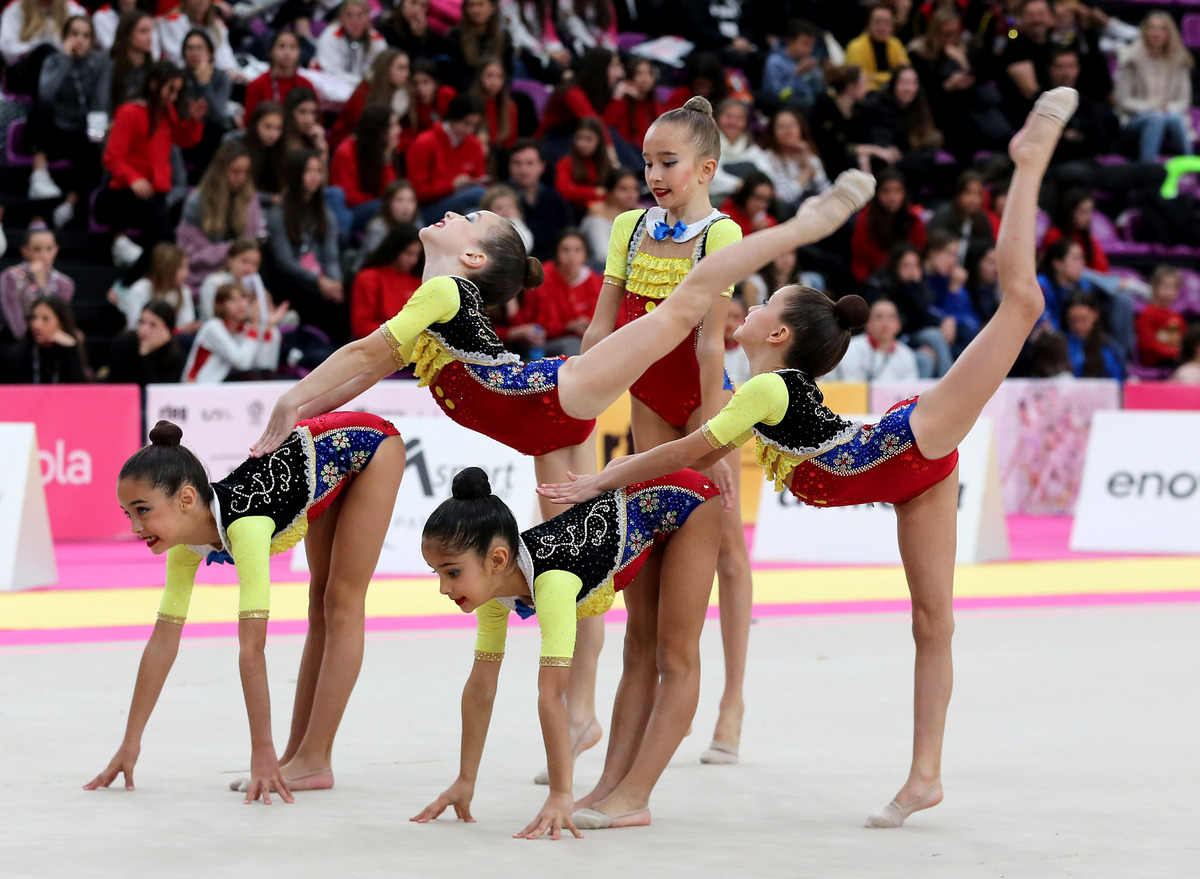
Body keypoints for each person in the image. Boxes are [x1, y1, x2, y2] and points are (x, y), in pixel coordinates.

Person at [539, 87, 1081, 829]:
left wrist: (599, 478)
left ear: (778, 335)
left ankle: (1028, 162)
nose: (747, 305)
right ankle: (924, 776)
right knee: (932, 623)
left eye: (763, 303)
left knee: (1021, 304)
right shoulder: (759, 379)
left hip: (909, 442)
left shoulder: (759, 393)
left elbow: (691, 446)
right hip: (903, 463)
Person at [84, 415, 405, 801]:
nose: (135, 527)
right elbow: (162, 644)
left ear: (186, 499)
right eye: (128, 514)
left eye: (143, 510)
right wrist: (129, 744)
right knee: (318, 601)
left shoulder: (247, 527)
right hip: (319, 459)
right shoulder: (184, 541)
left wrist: (260, 753)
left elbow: (252, 650)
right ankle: (297, 756)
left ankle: (315, 760)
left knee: (340, 602)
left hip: (366, 446)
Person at [412, 464, 721, 836]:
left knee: (674, 655)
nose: (444, 588)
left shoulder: (553, 583)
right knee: (637, 648)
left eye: (452, 572)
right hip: (638, 506)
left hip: (686, 501)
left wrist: (561, 793)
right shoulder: (496, 589)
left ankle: (636, 795)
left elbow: (552, 693)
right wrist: (465, 779)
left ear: (496, 560)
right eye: (438, 574)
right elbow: (481, 686)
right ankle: (609, 788)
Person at [100, 60, 206, 275]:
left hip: (156, 191)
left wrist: (195, 121)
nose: (174, 97)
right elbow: (112, 157)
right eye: (171, 90)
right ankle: (126, 287)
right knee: (165, 241)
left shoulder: (166, 111)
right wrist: (133, 178)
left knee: (157, 246)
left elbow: (182, 139)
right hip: (127, 192)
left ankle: (129, 288)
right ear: (154, 84)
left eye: (177, 91)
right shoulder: (129, 112)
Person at [26, 15, 109, 209]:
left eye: (86, 35)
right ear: (64, 37)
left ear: (92, 40)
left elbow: (101, 102)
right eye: (74, 34)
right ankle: (39, 174)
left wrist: (97, 138)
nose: (80, 40)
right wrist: (65, 59)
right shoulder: (54, 59)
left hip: (80, 130)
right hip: (53, 131)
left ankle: (70, 206)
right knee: (41, 107)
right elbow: (45, 94)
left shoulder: (101, 62)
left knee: (98, 150)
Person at [264, 149, 344, 334]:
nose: (314, 176)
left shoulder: (325, 213)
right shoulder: (279, 213)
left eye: (318, 171)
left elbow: (330, 256)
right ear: (295, 173)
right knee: (310, 299)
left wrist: (335, 281)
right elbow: (284, 261)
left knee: (342, 299)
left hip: (320, 278)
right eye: (308, 171)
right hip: (292, 280)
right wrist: (319, 281)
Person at [177, 140, 263, 292]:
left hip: (240, 267)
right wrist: (229, 251)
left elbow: (250, 244)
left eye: (245, 172)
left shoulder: (250, 198)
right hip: (205, 269)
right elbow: (191, 251)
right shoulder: (197, 200)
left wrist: (238, 259)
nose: (241, 178)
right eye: (235, 171)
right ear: (221, 170)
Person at [1115, 12, 1193, 163]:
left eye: (1162, 29)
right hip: (1135, 119)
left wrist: (1167, 109)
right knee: (1156, 118)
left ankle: (1191, 167)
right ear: (1145, 31)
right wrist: (1152, 108)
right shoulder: (1131, 58)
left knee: (1176, 118)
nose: (1156, 33)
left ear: (1169, 33)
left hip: (1170, 116)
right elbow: (1123, 100)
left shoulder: (1179, 60)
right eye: (1152, 28)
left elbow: (1183, 100)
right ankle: (1149, 169)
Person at [407, 94, 489, 226]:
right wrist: (452, 186)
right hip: (429, 208)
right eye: (466, 123)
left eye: (474, 125)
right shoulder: (425, 142)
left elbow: (480, 180)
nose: (469, 130)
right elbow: (417, 192)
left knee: (476, 213)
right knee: (480, 194)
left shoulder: (474, 145)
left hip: (461, 207)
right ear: (453, 118)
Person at [183, 283, 285, 383]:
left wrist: (268, 328)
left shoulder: (246, 329)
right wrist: (254, 326)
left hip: (226, 384)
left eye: (243, 298)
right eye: (233, 300)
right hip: (201, 385)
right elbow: (242, 362)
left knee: (267, 374)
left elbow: (264, 364)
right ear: (221, 305)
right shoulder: (213, 327)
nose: (240, 305)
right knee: (251, 376)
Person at [328, 106, 399, 241]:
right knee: (392, 206)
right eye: (393, 126)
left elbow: (390, 190)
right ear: (379, 129)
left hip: (374, 206)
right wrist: (377, 201)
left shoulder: (380, 149)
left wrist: (387, 157)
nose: (398, 130)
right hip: (349, 212)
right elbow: (346, 195)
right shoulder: (346, 151)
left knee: (402, 205)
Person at [530, 228, 602, 357]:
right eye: (565, 250)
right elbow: (544, 325)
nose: (571, 256)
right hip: (549, 342)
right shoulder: (545, 276)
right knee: (574, 346)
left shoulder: (591, 279)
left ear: (585, 254)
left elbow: (599, 317)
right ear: (557, 253)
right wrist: (569, 326)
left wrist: (586, 324)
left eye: (577, 250)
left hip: (585, 338)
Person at [851, 168, 927, 283]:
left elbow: (920, 251)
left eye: (897, 191)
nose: (892, 197)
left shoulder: (913, 219)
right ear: (876, 194)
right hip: (875, 280)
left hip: (908, 279)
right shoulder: (865, 219)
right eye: (886, 191)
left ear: (904, 193)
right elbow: (860, 260)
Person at [0, 225, 74, 341]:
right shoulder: (10, 277)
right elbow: (17, 326)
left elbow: (56, 320)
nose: (43, 255)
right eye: (37, 249)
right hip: (16, 341)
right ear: (25, 251)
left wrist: (41, 282)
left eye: (48, 249)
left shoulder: (65, 283)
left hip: (50, 341)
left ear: (56, 250)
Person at [329, 48, 410, 153]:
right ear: (385, 68)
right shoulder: (365, 92)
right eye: (401, 68)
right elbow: (360, 129)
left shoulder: (405, 94)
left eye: (408, 68)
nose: (407, 73)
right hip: (353, 148)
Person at [350, 223, 423, 340]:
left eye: (417, 255)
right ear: (395, 250)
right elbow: (361, 327)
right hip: (379, 345)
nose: (414, 260)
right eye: (409, 253)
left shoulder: (418, 280)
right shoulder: (368, 278)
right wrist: (401, 334)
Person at [178, 28, 233, 179]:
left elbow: (218, 116)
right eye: (189, 48)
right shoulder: (178, 78)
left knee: (216, 130)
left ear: (210, 52)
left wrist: (204, 84)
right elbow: (181, 114)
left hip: (211, 135)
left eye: (199, 48)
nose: (194, 53)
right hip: (185, 133)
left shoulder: (221, 77)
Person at [507, 138, 573, 262]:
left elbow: (567, 234)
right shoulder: (499, 201)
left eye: (530, 163)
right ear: (509, 166)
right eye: (517, 163)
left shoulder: (555, 200)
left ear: (542, 166)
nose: (524, 170)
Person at [111, 241, 198, 333]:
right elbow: (135, 328)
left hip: (175, 342)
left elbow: (187, 325)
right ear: (166, 268)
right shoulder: (140, 289)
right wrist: (177, 331)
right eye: (181, 267)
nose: (187, 272)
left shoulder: (184, 291)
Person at [0, 294, 88, 383]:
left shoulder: (69, 351)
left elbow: (80, 390)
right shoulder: (18, 355)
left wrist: (71, 349)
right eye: (33, 317)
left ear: (61, 323)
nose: (36, 325)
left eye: (45, 319)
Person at [828, 297, 920, 381]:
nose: (885, 323)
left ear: (898, 324)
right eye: (878, 317)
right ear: (868, 323)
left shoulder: (906, 354)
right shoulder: (852, 348)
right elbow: (851, 385)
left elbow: (909, 389)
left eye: (891, 317)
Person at [762, 108, 831, 217]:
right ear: (773, 132)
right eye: (781, 127)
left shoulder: (810, 157)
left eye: (792, 126)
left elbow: (826, 191)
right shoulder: (768, 158)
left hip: (815, 207)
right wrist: (805, 174)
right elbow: (782, 197)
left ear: (801, 129)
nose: (788, 131)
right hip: (789, 212)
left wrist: (807, 162)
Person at [107, 300, 186, 385]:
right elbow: (122, 387)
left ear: (167, 331)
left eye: (153, 325)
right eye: (141, 322)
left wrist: (146, 355)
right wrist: (143, 355)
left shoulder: (175, 356)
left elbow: (160, 392)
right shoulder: (124, 344)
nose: (143, 330)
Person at [243, 29, 315, 119]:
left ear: (299, 53)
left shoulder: (306, 85)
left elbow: (315, 119)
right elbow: (250, 122)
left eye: (293, 47)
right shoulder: (256, 85)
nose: (287, 52)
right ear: (271, 52)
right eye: (281, 46)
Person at [314, 0, 385, 90]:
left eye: (360, 15)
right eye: (349, 15)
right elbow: (330, 71)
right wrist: (358, 81)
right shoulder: (331, 36)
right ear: (342, 17)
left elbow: (381, 67)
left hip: (365, 87)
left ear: (367, 17)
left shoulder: (376, 39)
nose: (354, 21)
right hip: (336, 87)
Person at [579, 167, 639, 267]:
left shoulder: (639, 213)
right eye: (624, 189)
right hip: (598, 270)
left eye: (635, 189)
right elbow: (602, 255)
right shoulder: (597, 213)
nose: (631, 194)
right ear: (609, 192)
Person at [761, 18, 823, 113]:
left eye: (811, 45)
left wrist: (824, 76)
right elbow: (778, 95)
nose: (809, 50)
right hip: (784, 110)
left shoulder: (808, 62)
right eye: (805, 43)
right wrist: (797, 73)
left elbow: (817, 92)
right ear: (790, 41)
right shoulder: (775, 62)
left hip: (809, 109)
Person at [357, 180, 421, 272]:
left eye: (411, 201)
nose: (406, 207)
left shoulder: (419, 227)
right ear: (388, 203)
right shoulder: (378, 227)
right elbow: (373, 261)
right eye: (400, 200)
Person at [844, 5, 911, 91]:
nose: (882, 27)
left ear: (892, 26)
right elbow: (859, 80)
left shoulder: (895, 44)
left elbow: (905, 72)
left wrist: (876, 78)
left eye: (886, 22)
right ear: (868, 24)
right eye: (877, 21)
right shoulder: (855, 47)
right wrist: (890, 78)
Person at [554, 117, 612, 213]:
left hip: (603, 211)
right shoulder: (566, 162)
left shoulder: (606, 164)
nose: (582, 144)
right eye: (579, 138)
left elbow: (612, 192)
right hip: (574, 212)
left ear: (599, 141)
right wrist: (593, 192)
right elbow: (564, 190)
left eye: (589, 139)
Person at [1063, 291, 1124, 380]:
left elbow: (1117, 378)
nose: (1078, 326)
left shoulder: (1108, 345)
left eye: (1084, 319)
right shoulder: (1062, 344)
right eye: (1073, 321)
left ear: (1095, 314)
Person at [1134, 265, 1186, 368]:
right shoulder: (1147, 314)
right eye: (1165, 287)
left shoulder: (1178, 317)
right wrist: (1176, 353)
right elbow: (1147, 346)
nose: (1169, 292)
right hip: (1154, 366)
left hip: (1175, 363)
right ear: (1153, 287)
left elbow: (1185, 342)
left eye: (1174, 287)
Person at [721, 172, 779, 239]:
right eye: (757, 198)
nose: (761, 205)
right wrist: (751, 230)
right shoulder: (727, 212)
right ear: (746, 194)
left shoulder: (768, 221)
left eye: (766, 199)